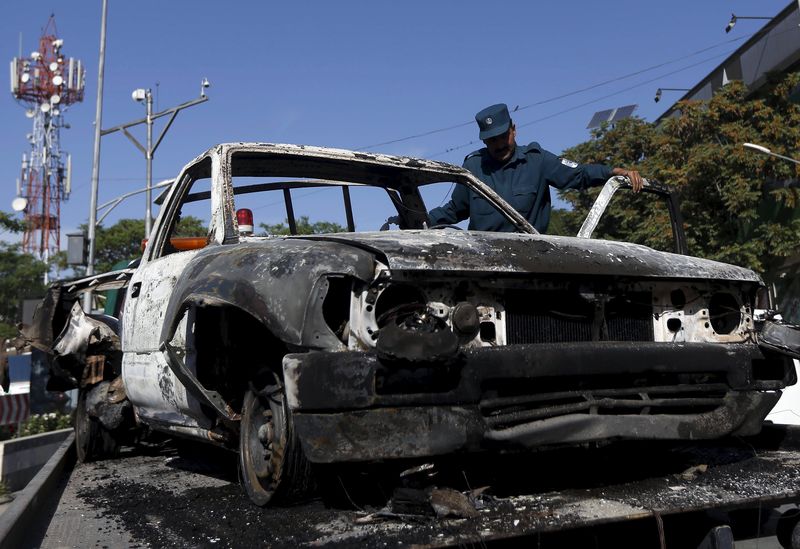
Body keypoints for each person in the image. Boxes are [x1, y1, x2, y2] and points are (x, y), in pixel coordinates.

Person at [428, 103, 643, 233]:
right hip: (481, 261)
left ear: (514, 130)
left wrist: (612, 172)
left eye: (503, 136)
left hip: (527, 260)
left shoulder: (537, 160)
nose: (500, 144)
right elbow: (455, 209)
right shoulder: (473, 166)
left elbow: (579, 174)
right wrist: (419, 221)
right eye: (492, 140)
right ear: (484, 141)